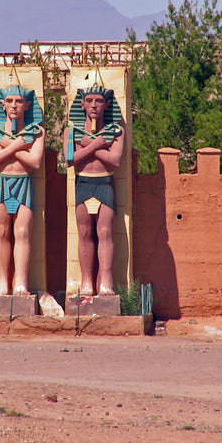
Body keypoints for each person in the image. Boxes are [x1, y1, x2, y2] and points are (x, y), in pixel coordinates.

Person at [64, 85, 125, 296]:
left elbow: (115, 160)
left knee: (105, 233)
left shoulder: (116, 131)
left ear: (107, 104)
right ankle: (87, 283)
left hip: (104, 183)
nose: (93, 105)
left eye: (98, 101)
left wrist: (88, 145)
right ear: (82, 104)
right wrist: (98, 145)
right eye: (89, 100)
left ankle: (106, 283)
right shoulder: (71, 131)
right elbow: (69, 159)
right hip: (83, 183)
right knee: (85, 233)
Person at [0, 85, 44, 295]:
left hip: (23, 185)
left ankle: (20, 282)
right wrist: (16, 147)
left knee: (22, 233)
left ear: (27, 106)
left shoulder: (37, 132)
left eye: (19, 101)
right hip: (2, 184)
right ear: (2, 105)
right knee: (1, 232)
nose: (14, 106)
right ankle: (3, 282)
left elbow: (35, 162)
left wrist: (9, 147)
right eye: (9, 101)